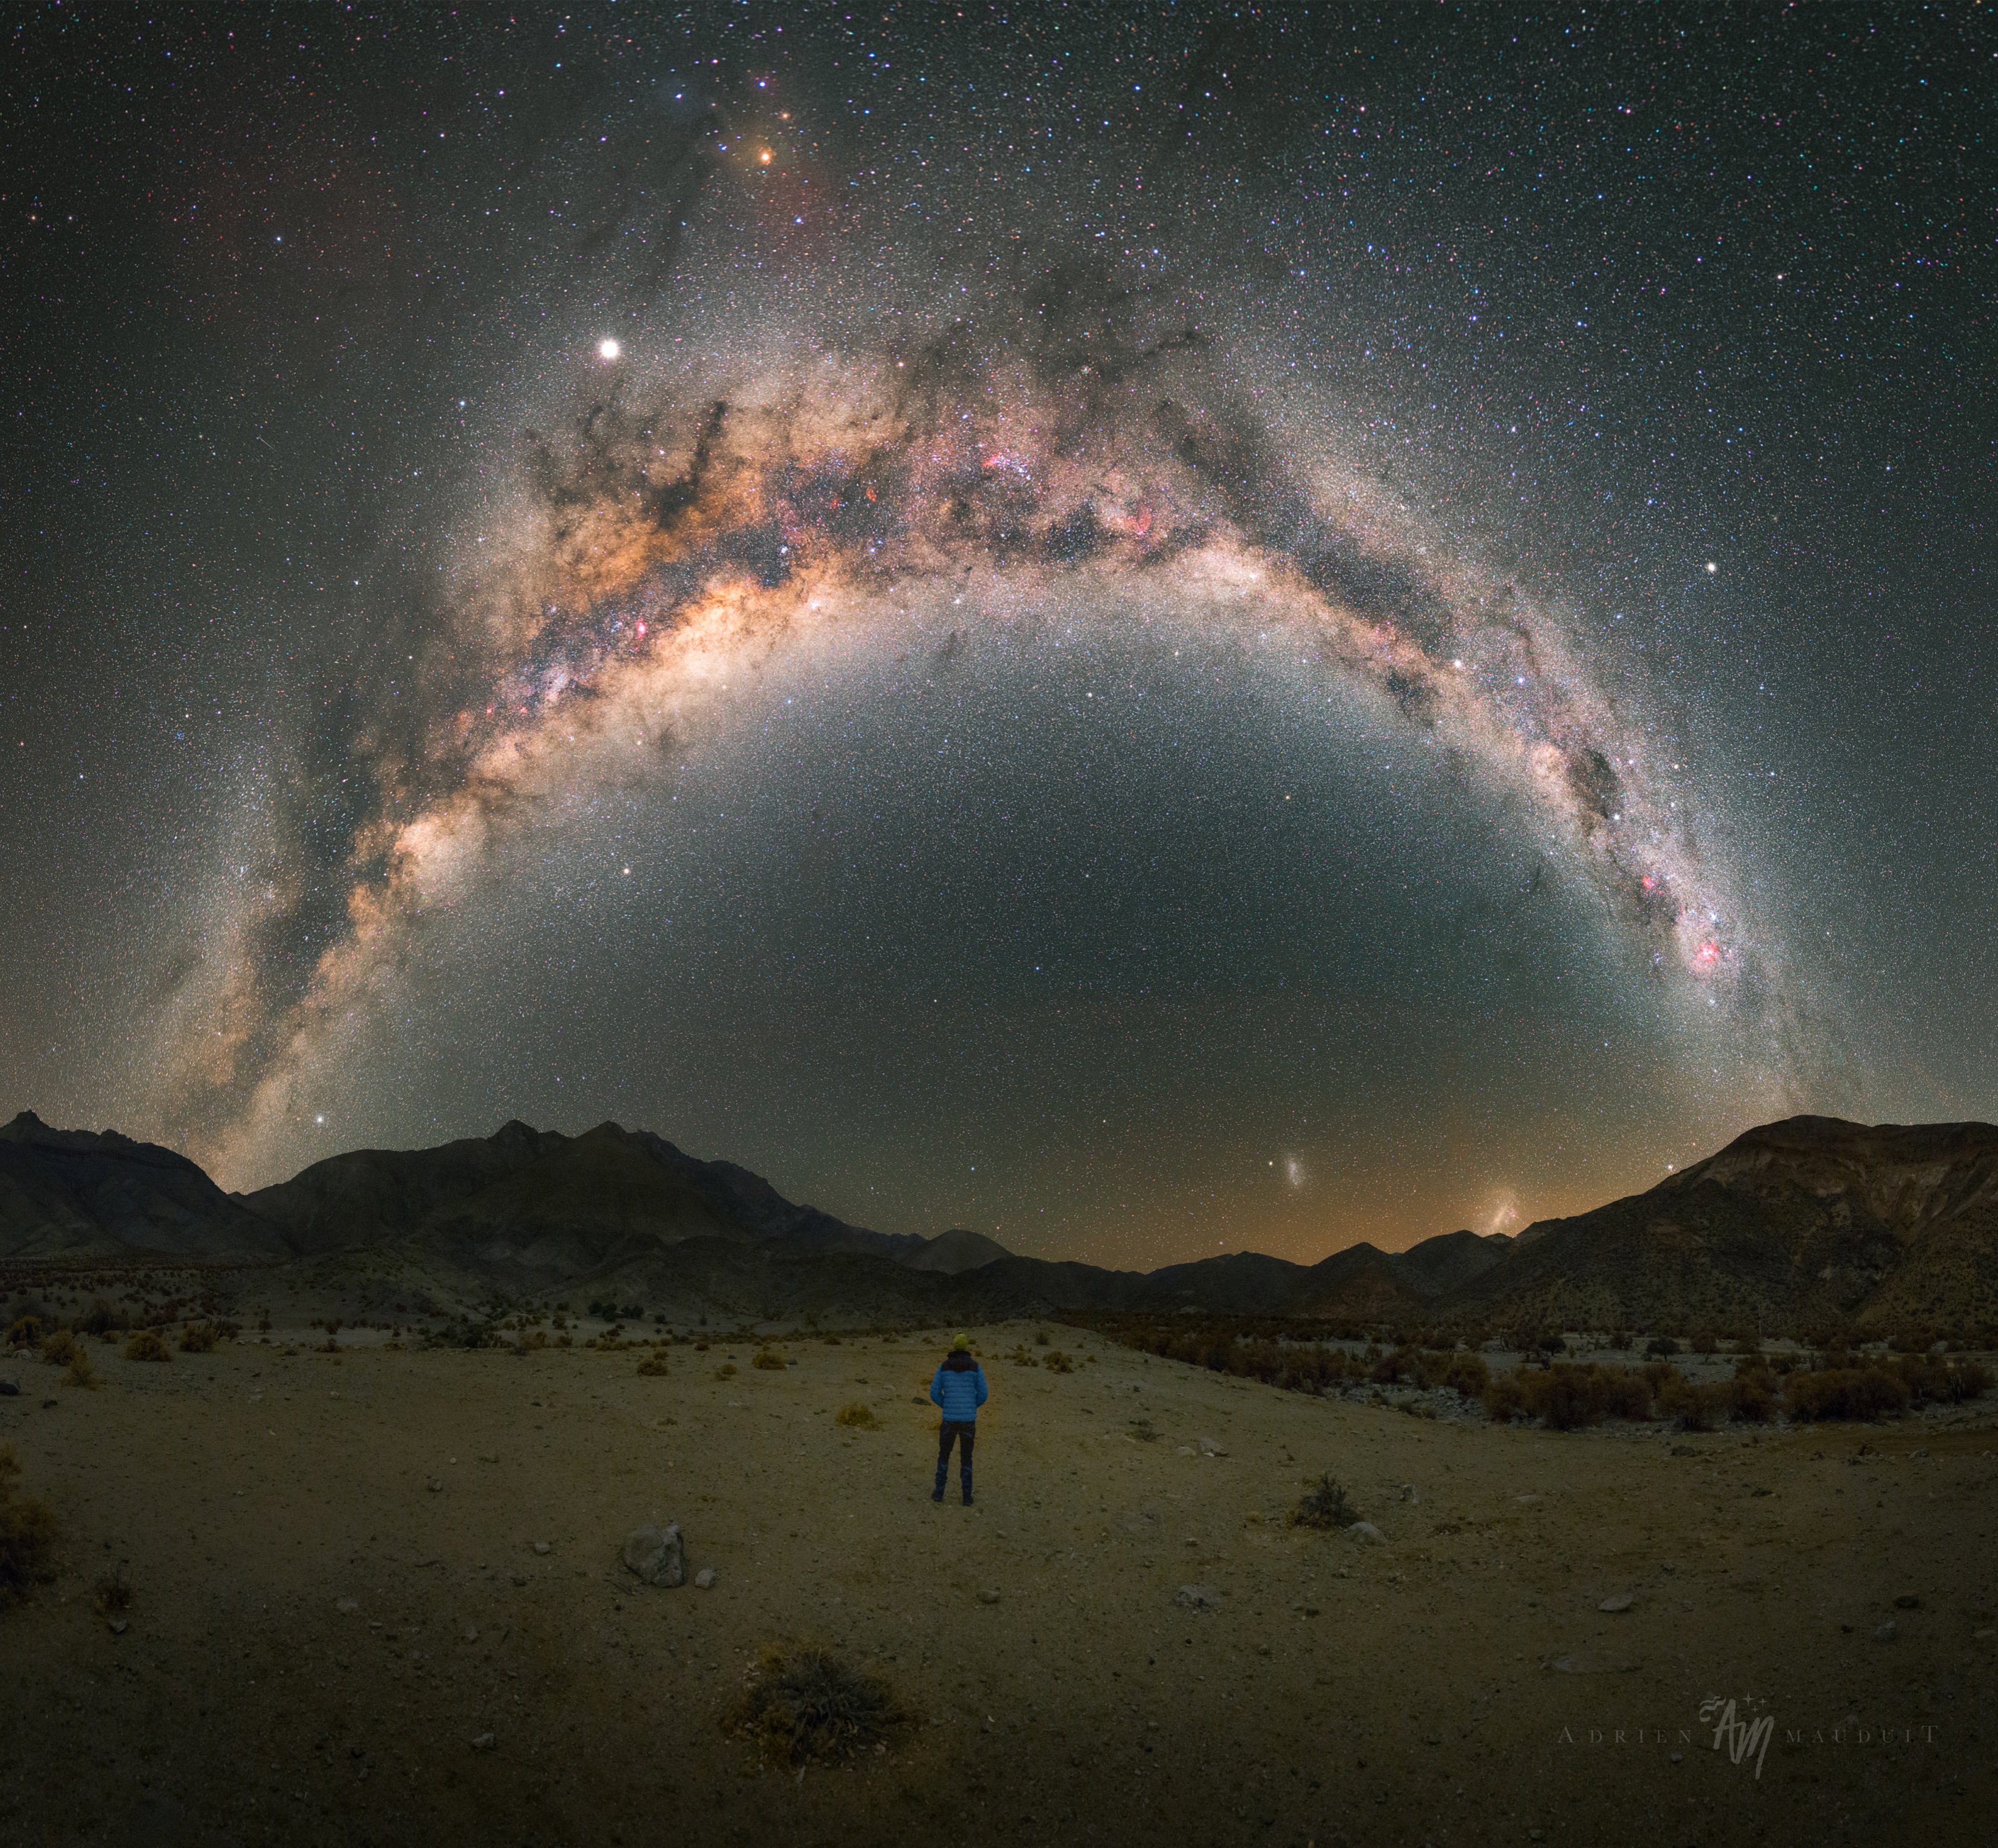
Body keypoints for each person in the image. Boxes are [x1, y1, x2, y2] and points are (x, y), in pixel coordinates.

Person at [929, 1331, 989, 1505]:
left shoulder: (944, 1367)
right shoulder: (976, 1367)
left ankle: (939, 1493)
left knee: (944, 1455)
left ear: (954, 1346)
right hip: (968, 1421)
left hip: (949, 1419)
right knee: (966, 1458)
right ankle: (967, 1497)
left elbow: (934, 1393)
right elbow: (984, 1394)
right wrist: (971, 1406)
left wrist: (946, 1405)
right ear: (966, 1347)